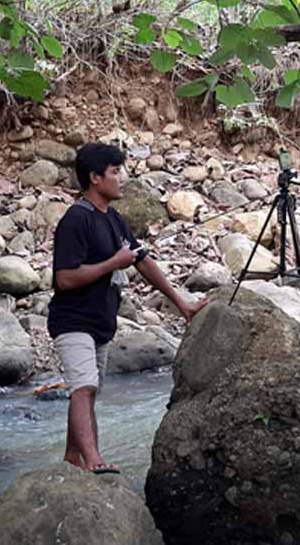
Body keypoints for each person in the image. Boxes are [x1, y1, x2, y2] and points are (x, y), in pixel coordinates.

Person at [48, 142, 208, 474]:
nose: (123, 179)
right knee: (84, 386)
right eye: (116, 172)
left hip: (100, 323)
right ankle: (93, 460)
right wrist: (113, 262)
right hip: (72, 320)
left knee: (88, 393)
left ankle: (72, 458)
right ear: (94, 178)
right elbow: (64, 279)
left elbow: (142, 262)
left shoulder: (114, 219)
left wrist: (182, 304)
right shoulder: (76, 219)